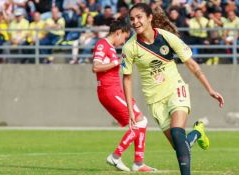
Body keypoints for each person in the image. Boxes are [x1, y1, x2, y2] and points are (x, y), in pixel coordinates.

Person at [122, 3, 224, 175]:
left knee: (178, 134)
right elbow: (127, 78)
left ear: (149, 18)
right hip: (154, 100)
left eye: (139, 17)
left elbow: (192, 65)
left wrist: (210, 89)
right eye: (132, 19)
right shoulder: (130, 47)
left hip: (175, 89)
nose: (135, 22)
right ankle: (197, 132)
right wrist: (130, 108)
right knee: (180, 146)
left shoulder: (166, 37)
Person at [91, 19, 157, 172]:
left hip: (116, 91)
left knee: (142, 121)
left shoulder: (111, 48)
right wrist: (117, 63)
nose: (124, 41)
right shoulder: (102, 45)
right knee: (139, 121)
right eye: (124, 37)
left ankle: (138, 163)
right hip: (109, 92)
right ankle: (116, 156)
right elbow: (95, 67)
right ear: (118, 32)